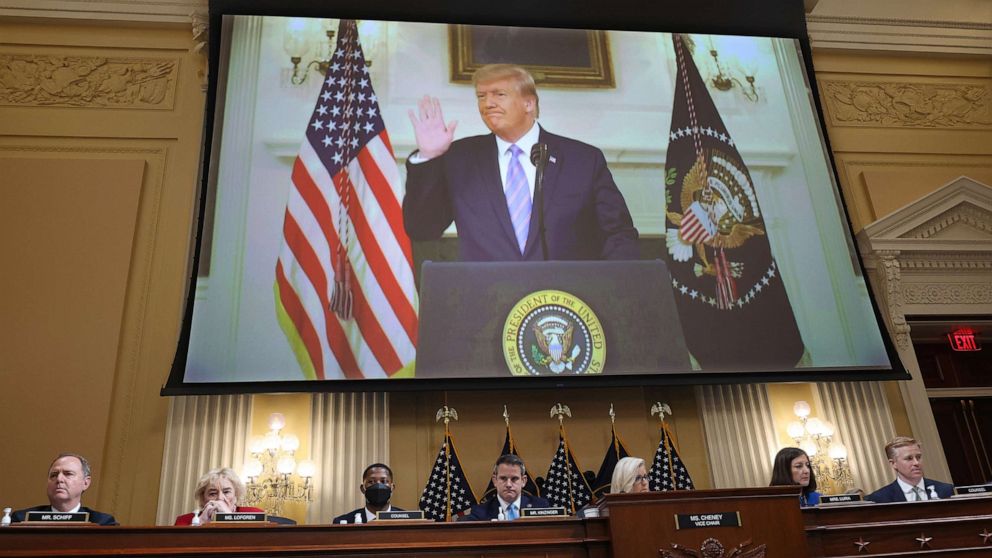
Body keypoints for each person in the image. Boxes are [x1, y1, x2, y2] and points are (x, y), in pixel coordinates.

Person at [403, 63, 639, 262]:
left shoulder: (583, 160)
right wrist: (430, 157)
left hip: (566, 303)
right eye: (481, 96)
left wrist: (609, 292)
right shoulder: (460, 158)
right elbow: (422, 229)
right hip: (488, 303)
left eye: (499, 94)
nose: (488, 104)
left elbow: (619, 234)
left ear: (529, 104)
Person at [11, 453, 118, 525]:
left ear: (85, 483)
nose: (59, 479)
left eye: (68, 474)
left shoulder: (102, 523)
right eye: (53, 475)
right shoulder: (22, 519)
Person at [866, 436, 954, 503]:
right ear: (893, 464)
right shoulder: (879, 498)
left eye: (918, 457)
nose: (916, 463)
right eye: (909, 458)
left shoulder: (946, 491)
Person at [465, 454, 550, 520]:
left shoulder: (540, 506)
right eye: (503, 478)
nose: (508, 484)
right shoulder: (480, 513)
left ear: (523, 481)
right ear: (495, 480)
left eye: (514, 479)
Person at [174, 467, 264, 525]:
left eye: (226, 492)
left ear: (236, 495)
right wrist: (200, 523)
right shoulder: (184, 521)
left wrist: (229, 518)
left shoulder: (254, 514)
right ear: (202, 498)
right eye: (212, 493)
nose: (220, 498)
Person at [332, 463, 403, 524]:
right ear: (363, 489)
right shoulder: (343, 522)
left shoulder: (408, 520)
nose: (378, 485)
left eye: (383, 481)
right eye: (371, 482)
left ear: (392, 488)